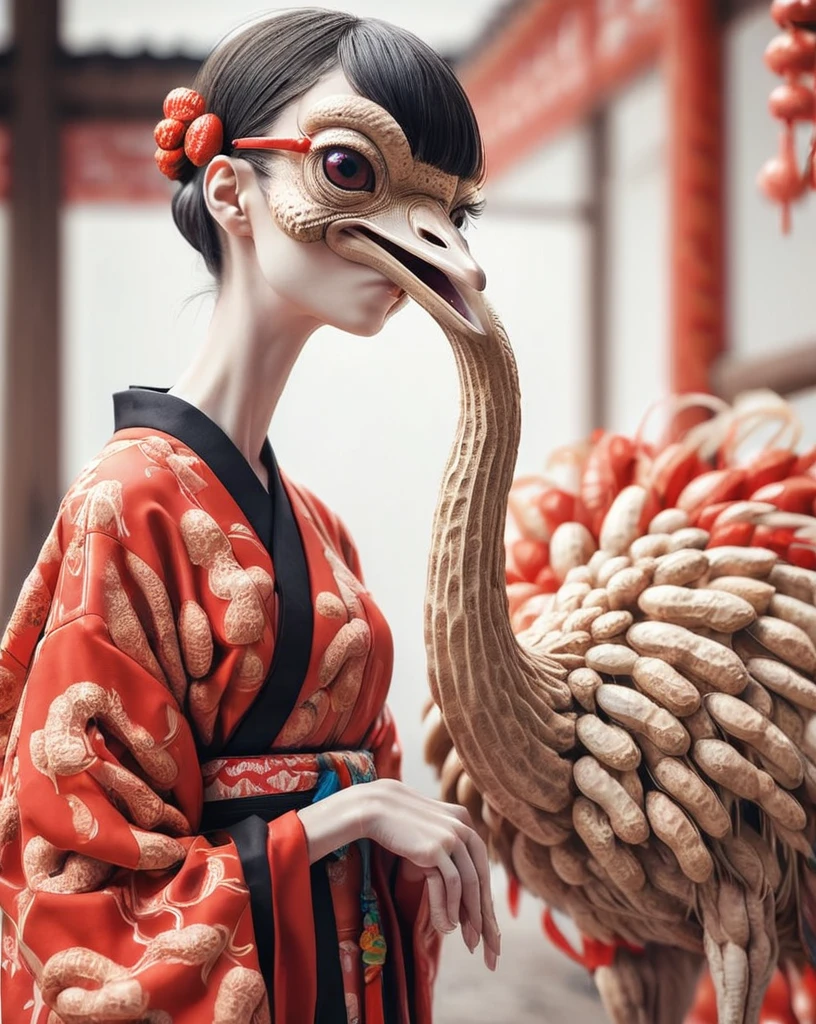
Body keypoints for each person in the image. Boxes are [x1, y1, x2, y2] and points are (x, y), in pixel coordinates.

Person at [0, 9, 500, 1024]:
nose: (437, 243)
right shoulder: (125, 502)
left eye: (451, 210)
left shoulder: (317, 525)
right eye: (355, 170)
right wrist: (331, 820)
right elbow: (78, 887)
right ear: (231, 188)